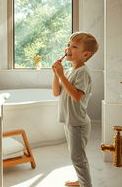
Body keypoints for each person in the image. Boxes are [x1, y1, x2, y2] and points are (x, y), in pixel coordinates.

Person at [52, 32, 99, 187]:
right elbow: (56, 92)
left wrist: (61, 76)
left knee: (78, 158)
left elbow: (77, 96)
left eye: (74, 46)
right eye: (68, 45)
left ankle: (86, 185)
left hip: (78, 123)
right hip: (69, 120)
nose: (68, 49)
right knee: (76, 156)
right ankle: (80, 181)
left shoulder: (83, 72)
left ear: (86, 54)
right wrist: (56, 75)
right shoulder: (70, 71)